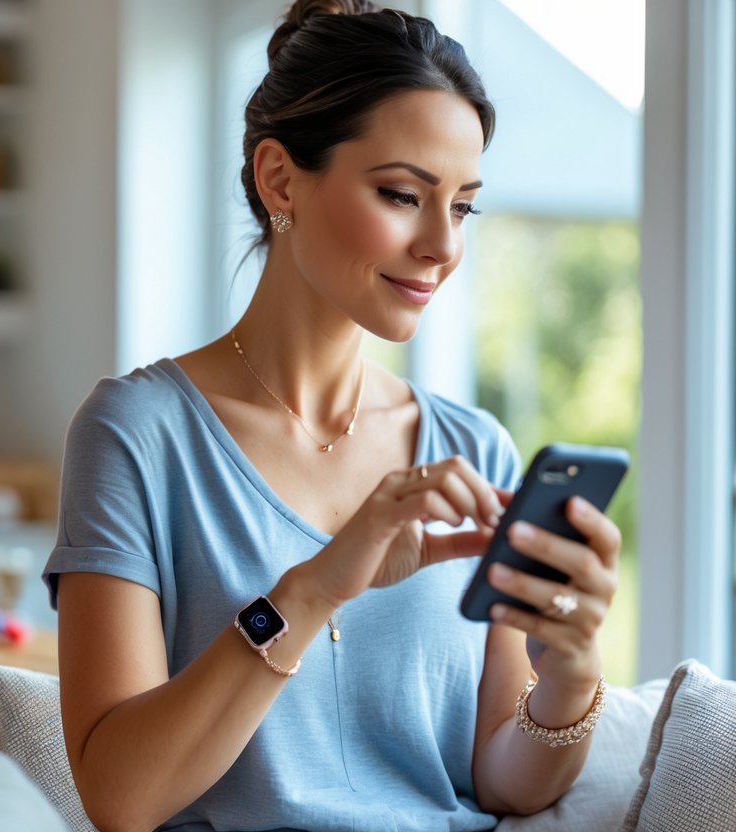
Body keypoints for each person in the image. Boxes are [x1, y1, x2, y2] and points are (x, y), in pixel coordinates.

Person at [44, 2, 621, 830]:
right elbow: (120, 797)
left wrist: (569, 674)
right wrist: (315, 588)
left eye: (462, 206)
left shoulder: (473, 449)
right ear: (279, 180)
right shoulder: (137, 434)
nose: (442, 246)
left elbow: (503, 783)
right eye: (401, 195)